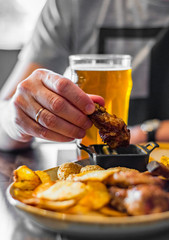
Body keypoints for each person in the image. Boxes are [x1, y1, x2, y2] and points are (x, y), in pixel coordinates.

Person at [1, 0, 169, 151]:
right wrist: (16, 120)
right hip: (91, 168)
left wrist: (149, 133)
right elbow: (6, 116)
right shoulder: (72, 5)